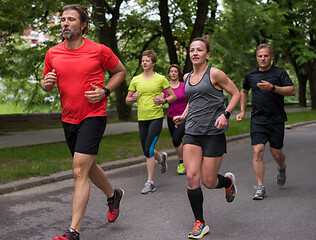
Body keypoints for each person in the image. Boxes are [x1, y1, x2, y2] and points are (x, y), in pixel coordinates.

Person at [40, 4, 127, 240]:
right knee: (87, 167)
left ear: (83, 25)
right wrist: (46, 84)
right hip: (69, 118)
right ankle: (113, 195)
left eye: (70, 19)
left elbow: (120, 72)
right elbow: (46, 82)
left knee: (79, 169)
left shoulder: (99, 50)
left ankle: (73, 232)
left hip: (94, 115)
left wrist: (105, 92)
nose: (64, 23)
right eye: (62, 20)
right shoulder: (53, 53)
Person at [173, 36, 240, 239]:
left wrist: (226, 114)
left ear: (207, 54)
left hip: (213, 133)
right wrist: (183, 116)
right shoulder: (186, 78)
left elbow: (235, 93)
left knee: (209, 182)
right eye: (192, 50)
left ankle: (227, 182)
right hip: (192, 131)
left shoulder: (215, 74)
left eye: (199, 50)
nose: (195, 53)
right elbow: (192, 101)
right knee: (192, 177)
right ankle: (200, 222)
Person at [236, 43, 295, 200]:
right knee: (258, 151)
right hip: (258, 120)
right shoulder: (251, 75)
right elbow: (244, 91)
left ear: (271, 57)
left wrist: (272, 88)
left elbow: (292, 90)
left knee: (276, 153)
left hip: (276, 119)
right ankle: (260, 187)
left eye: (266, 56)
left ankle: (281, 167)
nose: (263, 58)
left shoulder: (279, 73)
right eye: (260, 56)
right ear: (256, 58)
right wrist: (242, 111)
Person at [126, 50, 176, 194]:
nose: (144, 63)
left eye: (147, 61)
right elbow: (127, 100)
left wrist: (163, 100)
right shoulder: (136, 79)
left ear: (153, 63)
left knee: (148, 150)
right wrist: (132, 98)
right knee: (146, 149)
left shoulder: (160, 79)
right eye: (143, 61)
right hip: (142, 118)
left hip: (156, 117)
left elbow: (172, 96)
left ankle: (150, 182)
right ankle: (161, 158)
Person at [162, 64, 187, 175]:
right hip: (171, 117)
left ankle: (182, 163)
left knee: (177, 139)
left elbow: (190, 100)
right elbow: (161, 99)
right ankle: (183, 161)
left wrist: (186, 114)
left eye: (175, 71)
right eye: (171, 71)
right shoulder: (166, 88)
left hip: (183, 117)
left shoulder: (184, 86)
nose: (173, 73)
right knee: (177, 142)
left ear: (178, 73)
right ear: (169, 73)